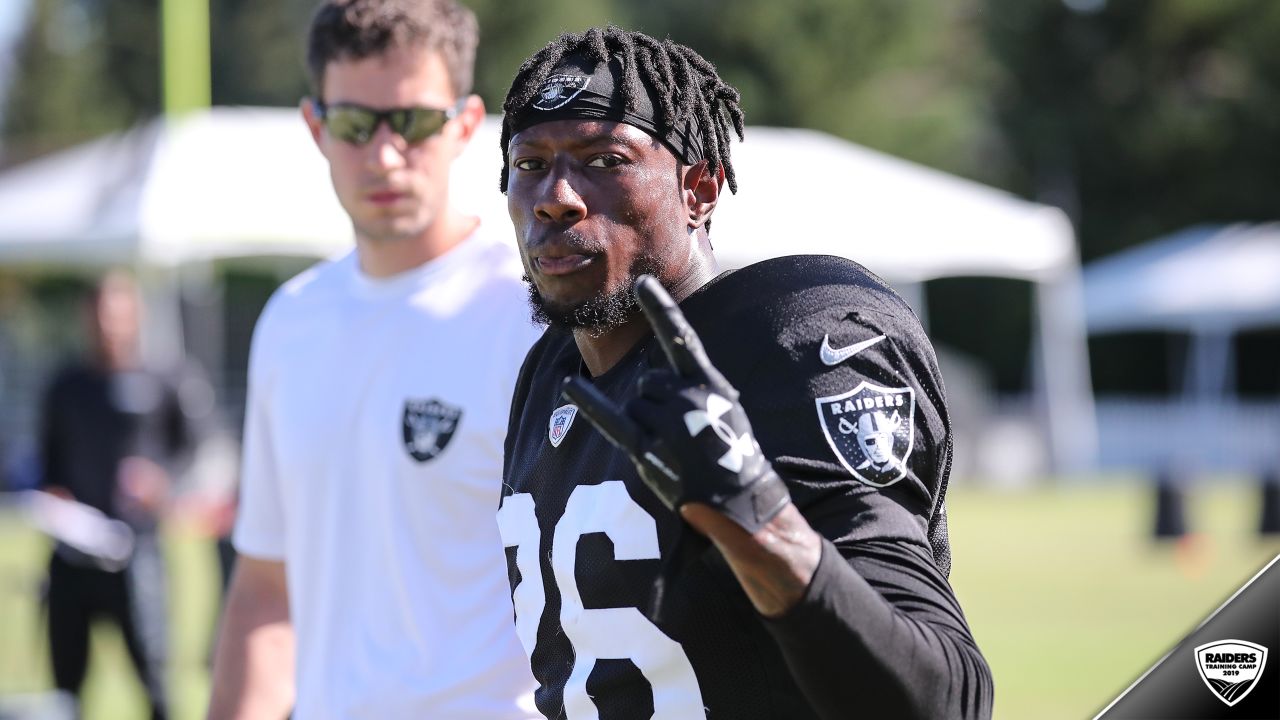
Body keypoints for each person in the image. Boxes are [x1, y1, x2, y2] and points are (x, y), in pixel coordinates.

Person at [496, 26, 994, 719]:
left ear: (699, 188)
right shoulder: (549, 374)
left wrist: (758, 519)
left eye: (604, 160)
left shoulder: (797, 343)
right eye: (530, 164)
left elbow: (944, 701)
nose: (557, 197)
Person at [207, 1, 541, 718]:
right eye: (357, 125)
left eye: (414, 123)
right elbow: (267, 586)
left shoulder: (533, 318)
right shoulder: (290, 322)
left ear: (465, 126)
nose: (385, 155)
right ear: (316, 128)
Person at [39, 271, 210, 720]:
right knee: (64, 687)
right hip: (73, 555)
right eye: (98, 316)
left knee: (154, 680)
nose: (107, 326)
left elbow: (193, 447)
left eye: (116, 315)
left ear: (135, 317)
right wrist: (54, 496)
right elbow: (48, 461)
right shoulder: (66, 384)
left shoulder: (164, 377)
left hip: (137, 553)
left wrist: (163, 483)